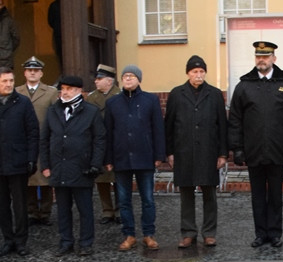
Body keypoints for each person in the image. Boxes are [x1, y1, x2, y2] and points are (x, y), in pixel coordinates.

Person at [228, 41, 283, 248]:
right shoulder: (244, 86)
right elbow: (235, 120)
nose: (261, 60)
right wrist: (237, 148)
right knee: (258, 196)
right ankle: (260, 234)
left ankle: (275, 233)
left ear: (274, 58)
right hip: (253, 151)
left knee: (276, 196)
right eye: (258, 56)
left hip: (278, 150)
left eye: (266, 56)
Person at [164, 55, 228, 248]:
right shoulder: (177, 94)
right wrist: (170, 152)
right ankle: (188, 232)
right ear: (188, 73)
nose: (198, 75)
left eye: (201, 72)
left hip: (209, 152)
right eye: (194, 72)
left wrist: (223, 153)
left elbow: (222, 126)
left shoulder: (215, 94)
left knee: (210, 193)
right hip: (183, 152)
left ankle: (209, 232)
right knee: (186, 194)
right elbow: (169, 126)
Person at [0, 66, 39, 257]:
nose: (9, 84)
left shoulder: (24, 103)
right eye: (5, 81)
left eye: (11, 81)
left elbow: (32, 132)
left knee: (20, 205)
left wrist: (31, 158)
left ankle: (21, 241)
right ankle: (7, 239)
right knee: (2, 205)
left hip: (18, 161)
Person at [40, 75, 106, 256]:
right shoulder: (53, 110)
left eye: (69, 89)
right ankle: (66, 241)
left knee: (85, 209)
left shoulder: (90, 111)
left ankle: (86, 242)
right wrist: (45, 164)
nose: (65, 92)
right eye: (63, 89)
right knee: (62, 209)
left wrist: (95, 164)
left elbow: (99, 140)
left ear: (78, 91)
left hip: (82, 168)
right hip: (59, 168)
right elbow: (45, 139)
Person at [104, 65, 165, 251]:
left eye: (132, 76)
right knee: (123, 200)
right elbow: (108, 132)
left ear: (139, 79)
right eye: (125, 76)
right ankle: (129, 235)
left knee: (147, 198)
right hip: (121, 158)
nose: (128, 79)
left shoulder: (150, 100)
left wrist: (159, 155)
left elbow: (158, 129)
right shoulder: (113, 103)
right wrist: (108, 158)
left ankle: (148, 234)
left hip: (145, 157)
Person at [17, 56, 58, 226]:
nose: (32, 73)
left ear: (41, 73)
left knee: (45, 178)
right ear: (25, 73)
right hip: (23, 140)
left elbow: (56, 116)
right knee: (28, 180)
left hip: (44, 140)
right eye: (29, 70)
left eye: (36, 71)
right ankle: (32, 212)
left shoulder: (51, 92)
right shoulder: (17, 91)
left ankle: (45, 212)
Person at [86, 64, 119, 224]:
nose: (96, 82)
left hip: (115, 141)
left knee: (118, 178)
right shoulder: (92, 98)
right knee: (101, 179)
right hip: (98, 142)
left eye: (99, 79)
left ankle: (120, 209)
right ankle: (107, 210)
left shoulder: (119, 94)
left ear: (109, 81)